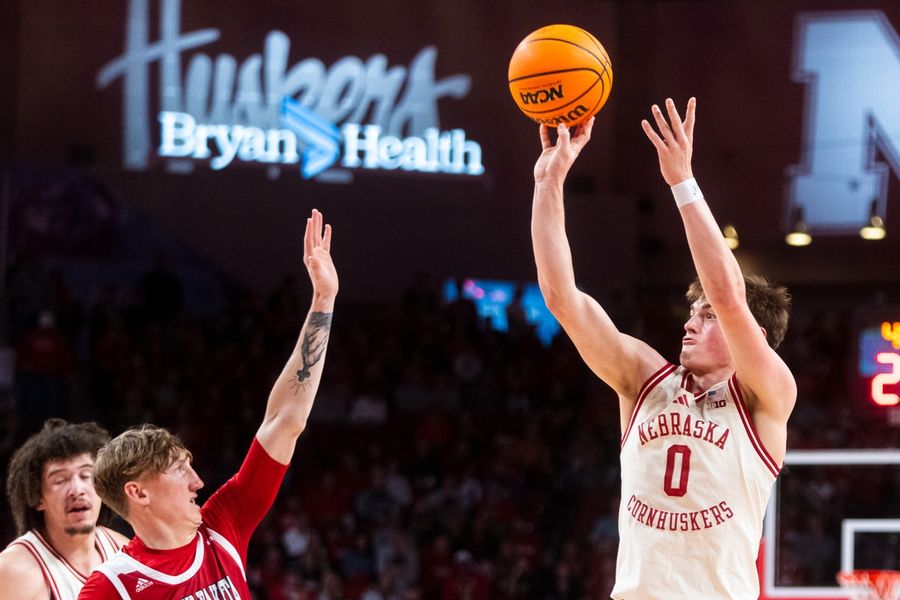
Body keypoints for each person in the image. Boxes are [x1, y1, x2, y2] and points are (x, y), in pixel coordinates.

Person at [531, 99, 796, 599]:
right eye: (691, 313)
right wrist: (547, 183)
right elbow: (561, 297)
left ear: (754, 339)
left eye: (706, 316)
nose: (690, 324)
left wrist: (682, 181)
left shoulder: (767, 396)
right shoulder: (643, 378)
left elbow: (730, 297)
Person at [76, 209, 339, 599]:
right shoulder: (112, 587)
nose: (198, 481)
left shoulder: (222, 521)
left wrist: (323, 299)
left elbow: (285, 420)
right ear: (138, 492)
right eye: (180, 470)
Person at [0, 419, 131, 600]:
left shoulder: (122, 549)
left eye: (86, 475)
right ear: (37, 498)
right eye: (60, 481)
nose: (77, 490)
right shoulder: (17, 571)